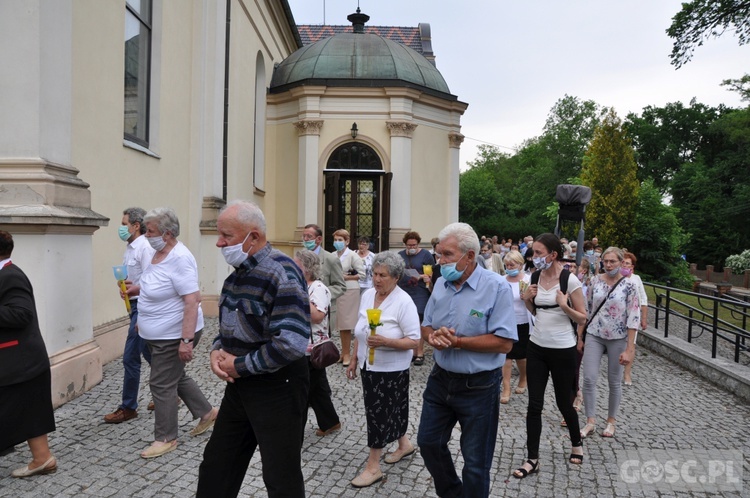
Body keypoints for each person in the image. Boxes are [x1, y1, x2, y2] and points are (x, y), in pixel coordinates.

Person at [197, 201, 310, 498]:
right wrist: (216, 350)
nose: (219, 242)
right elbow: (227, 329)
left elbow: (292, 343)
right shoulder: (235, 276)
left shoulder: (281, 272)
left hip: (279, 387)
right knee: (217, 467)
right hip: (240, 388)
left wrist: (239, 365)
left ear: (254, 237)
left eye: (227, 236)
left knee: (280, 475)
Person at [418, 222, 517, 498]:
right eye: (439, 255)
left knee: (475, 464)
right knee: (428, 443)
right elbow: (426, 326)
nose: (440, 261)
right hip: (441, 379)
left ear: (470, 256)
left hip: (480, 386)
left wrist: (458, 341)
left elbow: (504, 342)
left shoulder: (496, 287)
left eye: (447, 255)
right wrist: (432, 337)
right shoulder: (440, 283)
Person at [133, 207, 217, 459]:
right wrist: (137, 291)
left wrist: (186, 341)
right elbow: (158, 284)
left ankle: (166, 437)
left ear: (168, 234)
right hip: (155, 332)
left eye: (151, 231)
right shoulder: (157, 253)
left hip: (172, 334)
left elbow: (192, 300)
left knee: (161, 382)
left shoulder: (180, 258)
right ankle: (208, 413)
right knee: (174, 377)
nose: (147, 235)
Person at [513, 233, 588, 479]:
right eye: (533, 252)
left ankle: (576, 443)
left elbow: (582, 317)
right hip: (537, 347)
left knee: (563, 403)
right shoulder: (534, 277)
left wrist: (565, 306)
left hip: (563, 349)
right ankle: (532, 458)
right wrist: (527, 300)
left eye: (537, 253)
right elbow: (536, 311)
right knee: (534, 405)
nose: (533, 257)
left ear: (552, 255)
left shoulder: (570, 280)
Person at [346, 251, 420, 488]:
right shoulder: (368, 294)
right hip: (369, 364)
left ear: (396, 277)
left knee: (378, 415)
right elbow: (361, 328)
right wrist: (354, 359)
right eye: (375, 274)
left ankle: (373, 467)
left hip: (391, 369)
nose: (377, 279)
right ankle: (404, 445)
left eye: (383, 275)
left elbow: (414, 340)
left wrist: (387, 342)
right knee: (392, 407)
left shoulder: (403, 302)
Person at [0, 231, 58, 477]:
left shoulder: (10, 276)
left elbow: (22, 314)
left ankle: (43, 459)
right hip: (21, 362)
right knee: (31, 410)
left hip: (18, 362)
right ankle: (43, 459)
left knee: (20, 410)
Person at [579, 247, 640, 440]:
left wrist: (630, 348)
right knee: (589, 378)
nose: (608, 265)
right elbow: (587, 310)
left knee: (614, 380)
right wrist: (580, 337)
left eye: (612, 261)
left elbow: (633, 317)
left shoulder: (629, 286)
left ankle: (611, 420)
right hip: (594, 333)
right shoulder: (595, 281)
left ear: (622, 263)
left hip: (618, 336)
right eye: (605, 261)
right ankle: (590, 420)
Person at [104, 207, 155, 424]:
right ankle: (173, 390)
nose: (121, 228)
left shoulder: (144, 247)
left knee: (130, 357)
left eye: (124, 224)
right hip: (133, 306)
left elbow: (151, 278)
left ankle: (128, 407)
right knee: (149, 352)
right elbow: (130, 277)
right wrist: (122, 285)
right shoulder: (130, 247)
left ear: (136, 225)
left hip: (142, 306)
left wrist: (135, 289)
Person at [294, 249, 341, 437]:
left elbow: (317, 315)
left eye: (295, 264)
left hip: (311, 349)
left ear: (306, 268)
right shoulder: (300, 286)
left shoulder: (318, 288)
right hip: (299, 346)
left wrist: (299, 294)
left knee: (302, 390)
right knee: (316, 389)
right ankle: (330, 422)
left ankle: (296, 429)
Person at [302, 224, 346, 357]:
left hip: (322, 314)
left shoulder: (330, 259)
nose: (305, 239)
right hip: (303, 312)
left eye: (309, 236)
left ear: (319, 239)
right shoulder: (300, 257)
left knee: (318, 355)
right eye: (304, 236)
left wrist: (319, 295)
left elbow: (340, 286)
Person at [397, 231, 434, 366]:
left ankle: (419, 352)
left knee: (418, 319)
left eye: (414, 245)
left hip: (420, 291)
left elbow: (431, 273)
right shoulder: (400, 255)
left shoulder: (426, 255)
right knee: (405, 319)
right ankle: (410, 351)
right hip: (404, 289)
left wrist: (423, 276)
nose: (411, 247)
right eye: (409, 245)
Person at [500, 250, 531, 403]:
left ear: (520, 264)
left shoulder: (528, 279)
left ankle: (523, 377)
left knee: (522, 356)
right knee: (506, 356)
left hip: (523, 321)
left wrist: (528, 297)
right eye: (507, 264)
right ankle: (506, 388)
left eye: (512, 264)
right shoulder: (501, 280)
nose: (509, 267)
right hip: (505, 322)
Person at [333, 229, 365, 366]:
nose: (337, 242)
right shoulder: (332, 255)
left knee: (346, 324)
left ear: (347, 241)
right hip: (336, 291)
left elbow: (362, 274)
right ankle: (342, 352)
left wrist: (345, 276)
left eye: (340, 240)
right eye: (335, 240)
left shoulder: (353, 255)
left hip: (349, 290)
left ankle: (348, 354)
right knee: (339, 324)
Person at [621, 251, 648, 385]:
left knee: (631, 344)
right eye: (623, 262)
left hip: (633, 315)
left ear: (632, 267)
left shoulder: (636, 279)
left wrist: (644, 317)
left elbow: (644, 298)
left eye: (627, 263)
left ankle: (627, 373)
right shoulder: (618, 277)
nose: (624, 265)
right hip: (619, 315)